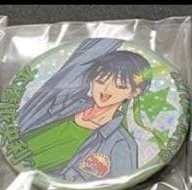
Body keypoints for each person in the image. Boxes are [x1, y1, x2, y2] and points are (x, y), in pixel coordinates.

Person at [17, 38, 150, 181]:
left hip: (34, 185)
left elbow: (121, 183)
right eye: (100, 81)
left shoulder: (121, 144)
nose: (106, 90)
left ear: (134, 92)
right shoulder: (64, 103)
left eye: (119, 86)